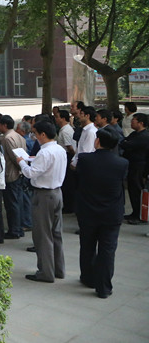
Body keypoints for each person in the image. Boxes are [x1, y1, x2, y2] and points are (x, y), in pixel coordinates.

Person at [76, 128, 129, 298]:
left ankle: (88, 278)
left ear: (97, 141)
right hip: (111, 213)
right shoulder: (122, 163)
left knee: (87, 246)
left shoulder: (85, 159)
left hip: (88, 210)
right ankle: (104, 287)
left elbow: (79, 178)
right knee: (107, 250)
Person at [16, 121, 66, 283]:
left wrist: (21, 161)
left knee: (43, 235)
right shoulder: (59, 149)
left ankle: (45, 272)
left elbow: (31, 173)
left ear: (43, 134)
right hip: (56, 192)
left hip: (44, 195)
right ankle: (58, 269)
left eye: (35, 133)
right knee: (56, 233)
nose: (34, 137)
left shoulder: (45, 152)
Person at [0, 115, 29, 239]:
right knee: (18, 202)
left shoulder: (7, 138)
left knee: (12, 204)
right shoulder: (19, 136)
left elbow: (14, 157)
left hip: (12, 173)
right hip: (20, 172)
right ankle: (19, 227)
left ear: (4, 125)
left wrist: (21, 166)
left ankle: (15, 230)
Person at [119, 113, 149, 224]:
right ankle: (134, 212)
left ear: (141, 123)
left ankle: (140, 215)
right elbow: (123, 141)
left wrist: (126, 143)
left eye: (134, 120)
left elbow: (126, 144)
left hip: (139, 166)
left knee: (137, 190)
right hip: (132, 165)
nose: (131, 122)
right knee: (132, 190)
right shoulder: (134, 134)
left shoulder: (144, 136)